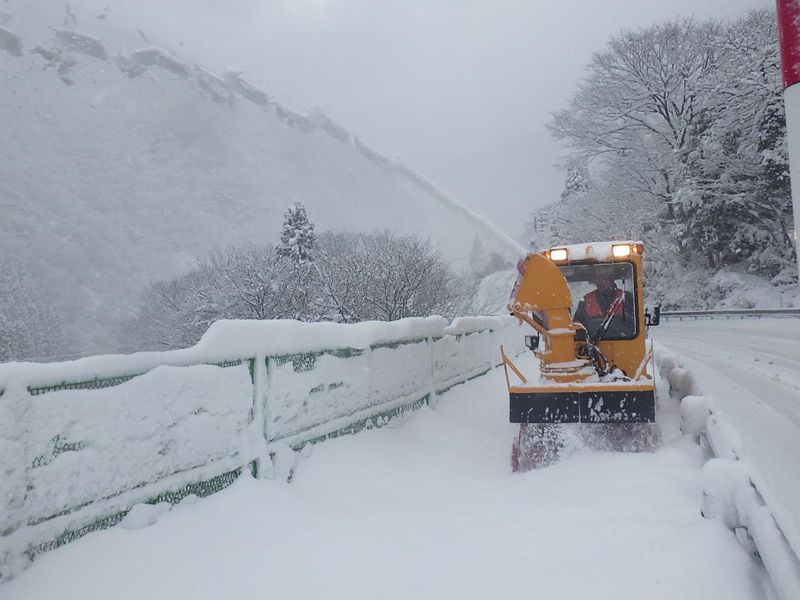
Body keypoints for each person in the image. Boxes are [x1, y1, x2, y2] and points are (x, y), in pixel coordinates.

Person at [572, 269, 635, 339]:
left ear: (611, 279)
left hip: (624, 343)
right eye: (598, 278)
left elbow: (633, 324)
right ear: (594, 280)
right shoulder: (586, 300)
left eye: (604, 277)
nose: (601, 281)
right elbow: (577, 326)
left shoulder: (625, 297)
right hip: (592, 345)